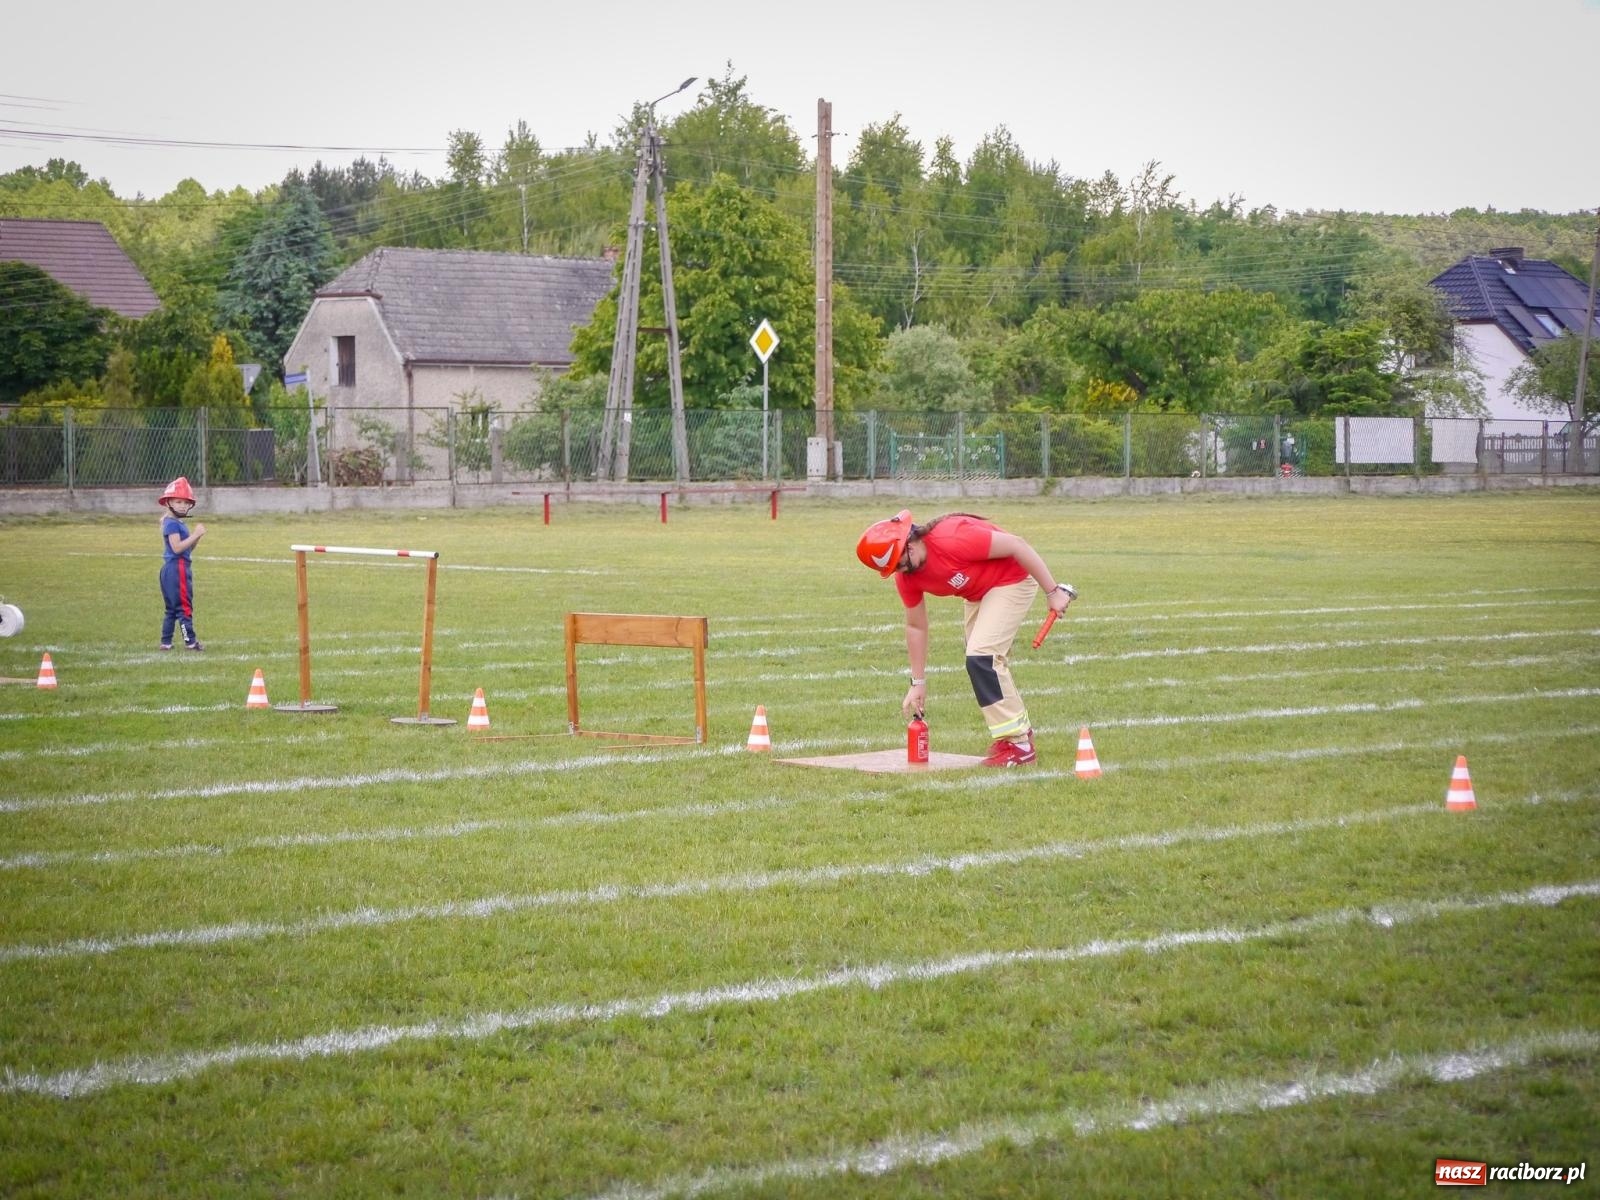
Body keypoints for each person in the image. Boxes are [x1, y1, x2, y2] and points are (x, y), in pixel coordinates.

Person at [855, 510, 1075, 767]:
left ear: (910, 544)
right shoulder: (906, 577)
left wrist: (1052, 590)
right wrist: (918, 682)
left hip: (1012, 580)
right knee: (983, 662)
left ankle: (1019, 745)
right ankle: (1018, 736)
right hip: (978, 592)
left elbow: (1017, 545)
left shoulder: (953, 538)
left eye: (899, 564)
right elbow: (916, 626)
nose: (899, 572)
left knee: (982, 658)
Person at [157, 476, 206, 650]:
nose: (183, 506)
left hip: (172, 569)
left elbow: (188, 549)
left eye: (186, 503)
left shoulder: (177, 523)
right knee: (183, 607)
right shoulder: (171, 524)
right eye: (178, 502)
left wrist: (196, 537)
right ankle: (190, 641)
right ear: (169, 502)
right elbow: (177, 548)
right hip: (177, 569)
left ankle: (166, 642)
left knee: (171, 609)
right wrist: (194, 534)